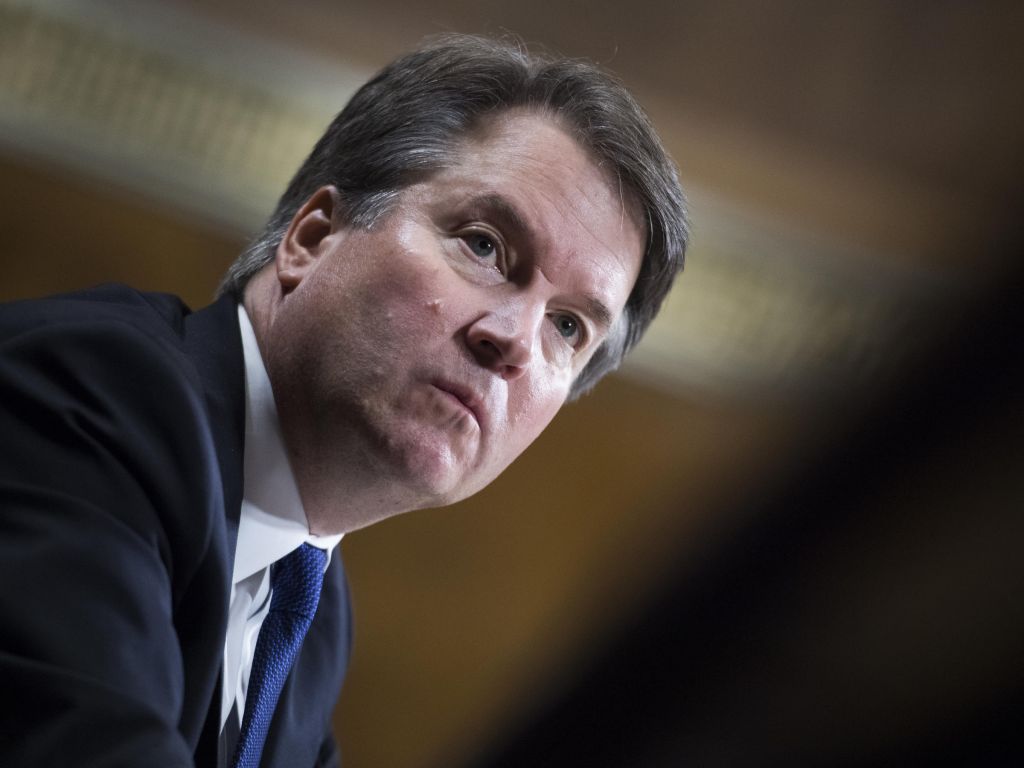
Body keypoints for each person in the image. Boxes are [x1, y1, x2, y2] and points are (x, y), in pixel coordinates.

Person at [0, 34, 688, 768]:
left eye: (567, 326)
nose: (515, 342)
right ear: (312, 235)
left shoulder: (312, 615)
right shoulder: (96, 392)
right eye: (484, 246)